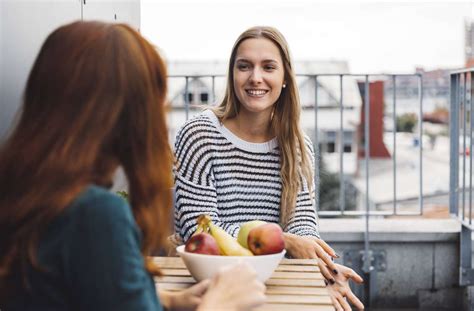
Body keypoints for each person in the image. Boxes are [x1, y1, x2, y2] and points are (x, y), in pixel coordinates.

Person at [0, 21, 266, 311]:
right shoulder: (94, 213)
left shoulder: (22, 190)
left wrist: (166, 300)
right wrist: (220, 303)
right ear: (129, 111)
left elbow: (65, 291)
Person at [173, 26, 364, 310]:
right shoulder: (200, 134)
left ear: (285, 78)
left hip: (276, 280)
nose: (256, 77)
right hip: (210, 286)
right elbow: (199, 231)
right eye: (244, 66)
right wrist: (284, 241)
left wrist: (325, 273)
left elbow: (302, 226)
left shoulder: (298, 146)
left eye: (269, 67)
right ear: (232, 74)